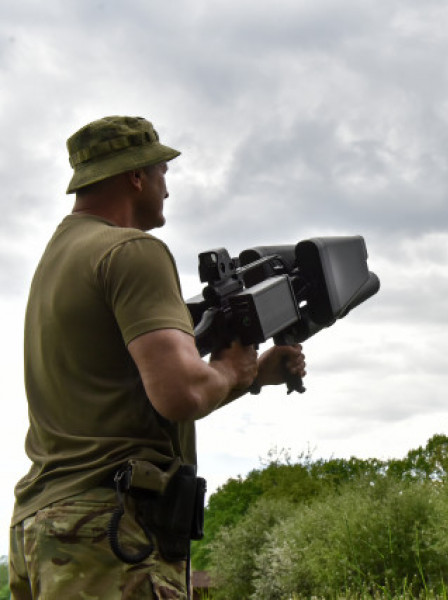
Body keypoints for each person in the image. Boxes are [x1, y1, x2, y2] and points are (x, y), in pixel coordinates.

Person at [8, 115, 305, 599]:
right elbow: (181, 393)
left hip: (45, 530)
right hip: (109, 534)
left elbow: (135, 404)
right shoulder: (132, 251)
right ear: (136, 175)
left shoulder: (56, 260)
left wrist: (252, 376)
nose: (167, 189)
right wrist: (231, 367)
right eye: (163, 173)